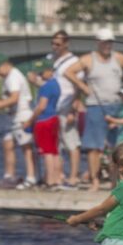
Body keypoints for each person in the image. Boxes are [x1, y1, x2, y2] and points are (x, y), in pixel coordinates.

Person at [64, 28, 123, 191]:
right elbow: (68, 72)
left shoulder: (118, 57)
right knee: (94, 147)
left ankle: (115, 182)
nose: (108, 45)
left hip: (117, 106)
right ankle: (95, 181)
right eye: (105, 42)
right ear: (98, 42)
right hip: (95, 106)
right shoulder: (88, 59)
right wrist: (83, 87)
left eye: (110, 42)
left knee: (117, 147)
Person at [0, 54, 36, 189]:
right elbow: (11, 99)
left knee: (26, 147)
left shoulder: (13, 77)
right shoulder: (8, 77)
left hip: (22, 116)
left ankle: (31, 178)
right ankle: (9, 177)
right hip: (12, 117)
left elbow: (14, 98)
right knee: (7, 144)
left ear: (5, 65)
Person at [50, 30, 82, 187]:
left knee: (72, 143)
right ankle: (60, 175)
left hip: (67, 107)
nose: (54, 46)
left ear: (66, 44)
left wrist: (73, 110)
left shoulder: (74, 61)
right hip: (54, 108)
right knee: (58, 144)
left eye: (58, 44)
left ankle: (73, 176)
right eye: (53, 43)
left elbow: (79, 86)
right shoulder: (54, 61)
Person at [27, 60, 63, 189]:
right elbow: (42, 86)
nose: (40, 75)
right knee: (54, 151)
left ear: (50, 71)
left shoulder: (46, 87)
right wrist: (34, 81)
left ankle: (50, 181)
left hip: (44, 121)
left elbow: (41, 106)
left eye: (42, 72)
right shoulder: (55, 84)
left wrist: (30, 120)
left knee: (47, 152)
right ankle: (57, 179)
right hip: (54, 119)